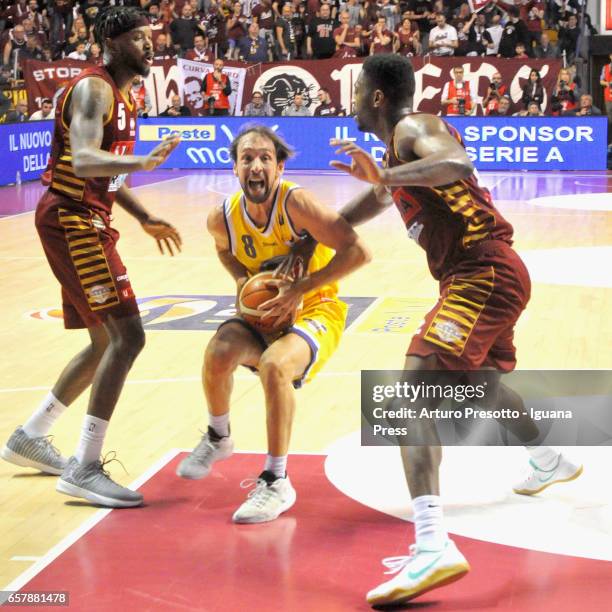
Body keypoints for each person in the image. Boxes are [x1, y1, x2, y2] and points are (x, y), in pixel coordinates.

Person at [328, 53, 582, 607]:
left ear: (376, 97)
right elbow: (375, 198)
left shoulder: (414, 128)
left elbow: (456, 165)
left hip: (480, 271)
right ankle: (548, 458)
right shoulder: (396, 151)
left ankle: (431, 544)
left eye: (356, 92)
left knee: (409, 395)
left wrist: (387, 173)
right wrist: (311, 238)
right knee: (482, 384)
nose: (349, 103)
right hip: (487, 272)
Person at [1, 6, 182, 509]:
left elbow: (107, 176)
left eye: (151, 37)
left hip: (88, 216)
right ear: (112, 42)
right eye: (139, 38)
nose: (150, 45)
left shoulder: (125, 97)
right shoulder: (94, 89)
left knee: (105, 340)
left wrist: (144, 216)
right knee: (129, 336)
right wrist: (142, 160)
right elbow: (83, 159)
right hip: (72, 219)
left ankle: (31, 435)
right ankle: (84, 466)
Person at [176, 125, 370, 524]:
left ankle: (277, 480)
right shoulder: (222, 218)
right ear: (234, 168)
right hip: (267, 313)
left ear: (279, 168)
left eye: (265, 158)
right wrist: (242, 282)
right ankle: (218, 436)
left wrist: (302, 287)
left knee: (275, 366)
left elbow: (359, 251)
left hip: (316, 308)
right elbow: (224, 251)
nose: (256, 165)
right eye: (247, 158)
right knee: (220, 349)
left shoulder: (297, 204)